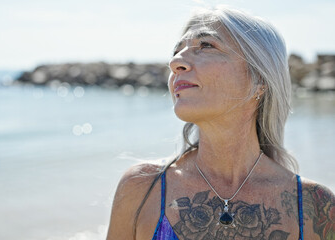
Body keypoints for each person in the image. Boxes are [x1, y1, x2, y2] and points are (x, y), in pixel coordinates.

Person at [106, 5, 334, 240]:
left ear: (259, 80)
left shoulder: (315, 207)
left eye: (206, 45)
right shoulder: (142, 188)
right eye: (177, 50)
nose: (175, 62)